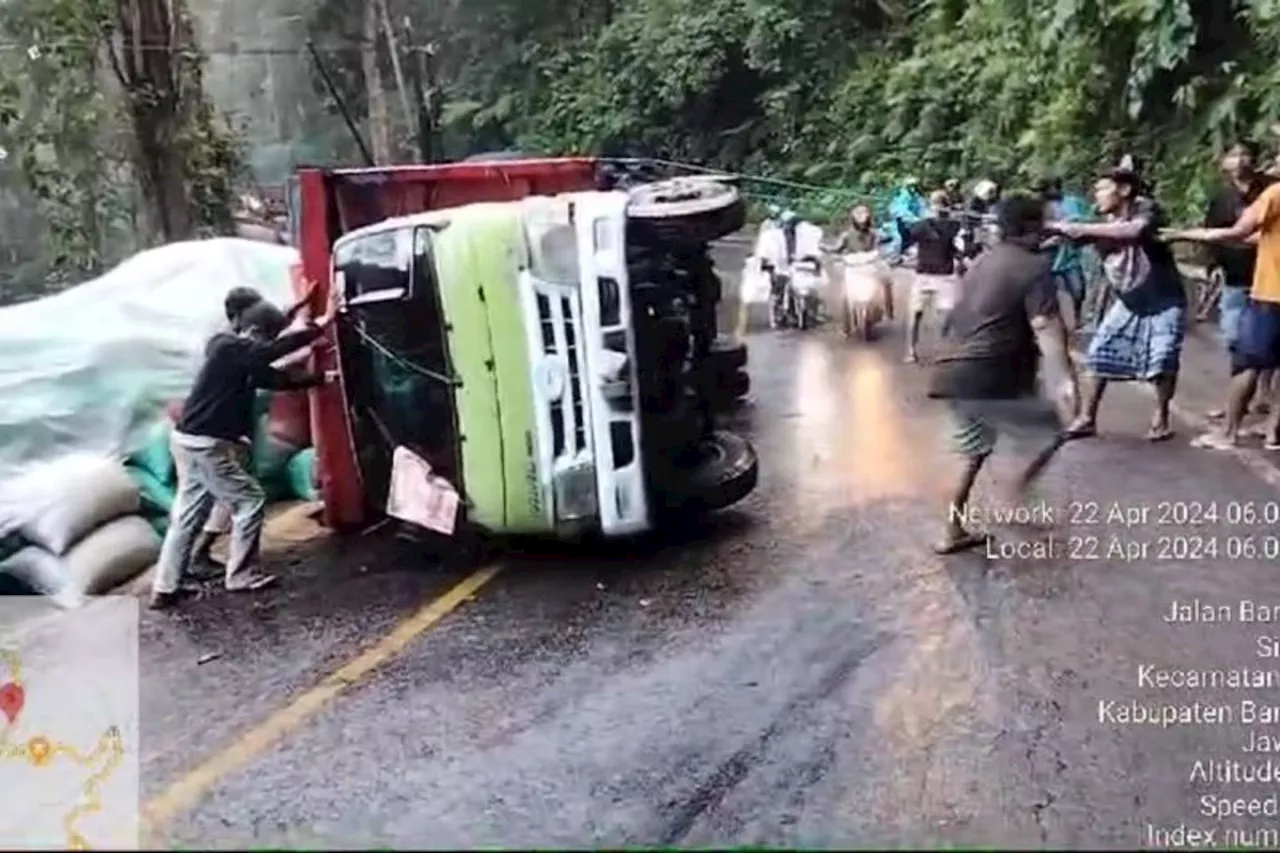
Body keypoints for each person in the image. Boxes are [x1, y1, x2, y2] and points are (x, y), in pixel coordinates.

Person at [150, 299, 333, 609]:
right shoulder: (226, 346)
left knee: (187, 516)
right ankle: (240, 575)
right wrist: (320, 324)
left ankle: (165, 589)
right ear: (250, 330)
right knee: (250, 500)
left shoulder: (238, 358)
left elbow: (274, 377)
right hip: (207, 444)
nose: (266, 345)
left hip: (190, 442)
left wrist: (319, 379)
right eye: (265, 338)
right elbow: (268, 353)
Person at [927, 194, 1080, 554]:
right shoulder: (1034, 266)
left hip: (951, 371)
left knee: (971, 453)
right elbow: (1045, 326)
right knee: (1054, 429)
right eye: (1045, 221)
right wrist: (1066, 381)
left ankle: (950, 531)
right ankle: (1012, 495)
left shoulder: (983, 260)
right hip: (989, 374)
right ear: (1031, 227)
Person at [1050, 167, 1186, 442]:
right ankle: (1087, 418)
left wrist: (1077, 228)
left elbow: (1132, 230)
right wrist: (1050, 229)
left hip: (1163, 297)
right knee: (1098, 357)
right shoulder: (1100, 220)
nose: (1097, 195)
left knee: (1162, 361)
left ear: (1123, 190)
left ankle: (1161, 417)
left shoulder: (1146, 210)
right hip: (1130, 299)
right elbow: (1068, 237)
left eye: (1103, 188)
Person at [187, 285, 317, 571]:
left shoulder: (237, 339)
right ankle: (227, 567)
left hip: (225, 433)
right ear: (243, 318)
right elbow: (270, 357)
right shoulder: (228, 347)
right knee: (234, 498)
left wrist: (297, 310)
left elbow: (271, 342)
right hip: (211, 433)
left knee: (221, 496)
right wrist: (317, 329)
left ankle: (197, 557)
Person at [1162, 178, 1280, 449]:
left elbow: (1238, 232)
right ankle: (1273, 431)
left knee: (1247, 362)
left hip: (1272, 295)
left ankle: (1228, 433)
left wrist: (1188, 234)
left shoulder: (1275, 193)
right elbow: (1260, 237)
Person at [1200, 141, 1276, 424]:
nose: (1241, 160)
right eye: (1234, 155)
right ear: (1224, 163)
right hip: (1236, 277)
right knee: (1235, 339)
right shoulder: (1221, 198)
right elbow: (1212, 235)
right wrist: (1214, 266)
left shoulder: (1270, 188)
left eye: (1246, 154)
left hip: (1268, 277)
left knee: (1267, 343)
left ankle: (1261, 396)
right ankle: (1236, 398)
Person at [905, 190, 964, 362]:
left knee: (945, 315)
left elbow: (955, 240)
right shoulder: (922, 225)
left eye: (939, 204)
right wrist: (926, 219)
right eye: (933, 204)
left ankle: (940, 348)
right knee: (915, 313)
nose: (935, 207)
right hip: (923, 275)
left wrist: (944, 218)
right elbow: (909, 235)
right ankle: (910, 350)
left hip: (944, 276)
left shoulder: (953, 225)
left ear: (945, 207)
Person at [1036, 176, 1091, 331]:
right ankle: (1054, 322)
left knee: (1078, 289)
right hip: (1048, 255)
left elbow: (1087, 219)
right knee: (1048, 293)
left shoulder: (1072, 203)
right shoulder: (1039, 207)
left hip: (1069, 254)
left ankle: (1077, 317)